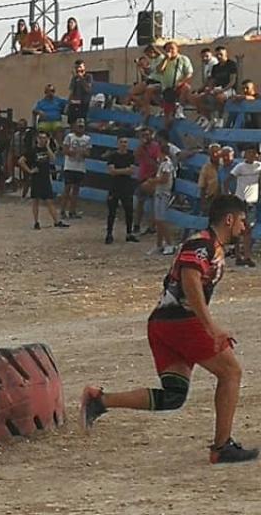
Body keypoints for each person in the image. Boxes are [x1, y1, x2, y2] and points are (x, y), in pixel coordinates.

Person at [81, 195, 258, 465]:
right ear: (229, 219)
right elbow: (190, 280)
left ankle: (100, 401)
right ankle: (222, 447)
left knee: (174, 396)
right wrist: (211, 326)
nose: (245, 227)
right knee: (231, 372)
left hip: (163, 324)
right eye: (242, 221)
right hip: (181, 323)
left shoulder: (211, 245)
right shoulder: (202, 243)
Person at [18, 130, 69, 230]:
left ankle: (56, 221)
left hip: (45, 178)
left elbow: (53, 159)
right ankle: (36, 222)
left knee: (49, 200)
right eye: (40, 138)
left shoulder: (46, 150)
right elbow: (21, 161)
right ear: (37, 139)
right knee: (36, 200)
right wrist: (29, 171)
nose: (42, 140)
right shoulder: (32, 151)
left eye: (44, 138)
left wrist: (48, 146)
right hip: (36, 178)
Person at [226, 146, 261, 267]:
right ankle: (238, 255)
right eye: (249, 153)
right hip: (240, 199)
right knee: (238, 229)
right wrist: (228, 194)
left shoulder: (258, 166)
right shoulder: (240, 167)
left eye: (253, 153)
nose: (251, 155)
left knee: (248, 229)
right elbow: (228, 180)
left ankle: (246, 256)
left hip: (252, 200)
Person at [105, 137, 140, 244]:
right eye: (121, 142)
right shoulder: (113, 156)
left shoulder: (131, 156)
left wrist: (117, 171)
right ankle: (109, 233)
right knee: (112, 211)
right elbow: (111, 171)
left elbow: (132, 171)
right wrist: (125, 171)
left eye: (125, 142)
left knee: (129, 210)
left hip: (126, 187)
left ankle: (129, 233)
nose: (123, 144)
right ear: (117, 143)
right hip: (114, 186)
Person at [146, 149, 176, 255]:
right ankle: (159, 244)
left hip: (164, 194)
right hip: (159, 193)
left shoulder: (167, 164)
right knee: (158, 220)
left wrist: (152, 181)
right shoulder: (163, 164)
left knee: (162, 220)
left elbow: (164, 179)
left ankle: (169, 244)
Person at [60, 118, 92, 220]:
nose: (80, 128)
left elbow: (88, 153)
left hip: (80, 167)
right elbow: (65, 150)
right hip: (69, 166)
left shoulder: (87, 139)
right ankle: (62, 210)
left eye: (82, 126)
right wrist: (76, 152)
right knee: (67, 189)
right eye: (78, 126)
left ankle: (72, 211)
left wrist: (81, 153)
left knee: (76, 190)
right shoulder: (69, 137)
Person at [156, 41, 194, 122]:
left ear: (177, 49)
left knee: (186, 87)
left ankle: (180, 109)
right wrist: (166, 59)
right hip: (167, 89)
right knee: (167, 118)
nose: (170, 51)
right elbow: (159, 70)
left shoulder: (183, 59)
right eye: (168, 49)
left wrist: (181, 82)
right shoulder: (164, 60)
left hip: (178, 87)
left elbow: (189, 73)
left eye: (172, 48)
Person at [134, 128, 162, 234]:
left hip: (152, 176)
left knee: (153, 203)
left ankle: (151, 226)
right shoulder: (140, 147)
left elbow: (156, 162)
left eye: (147, 135)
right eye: (143, 135)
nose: (145, 137)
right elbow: (136, 158)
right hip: (142, 175)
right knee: (140, 202)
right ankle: (137, 224)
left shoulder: (155, 146)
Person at [197, 143, 223, 216]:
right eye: (212, 153)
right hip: (211, 197)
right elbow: (202, 186)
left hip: (225, 196)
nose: (215, 154)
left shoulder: (225, 165)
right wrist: (203, 202)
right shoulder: (206, 167)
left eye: (216, 152)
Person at [68, 60, 94, 125]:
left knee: (81, 122)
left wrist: (81, 77)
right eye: (76, 67)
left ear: (84, 67)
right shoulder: (74, 78)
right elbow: (71, 90)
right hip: (75, 102)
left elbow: (88, 89)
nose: (78, 69)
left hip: (84, 103)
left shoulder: (88, 76)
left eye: (80, 67)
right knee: (72, 121)